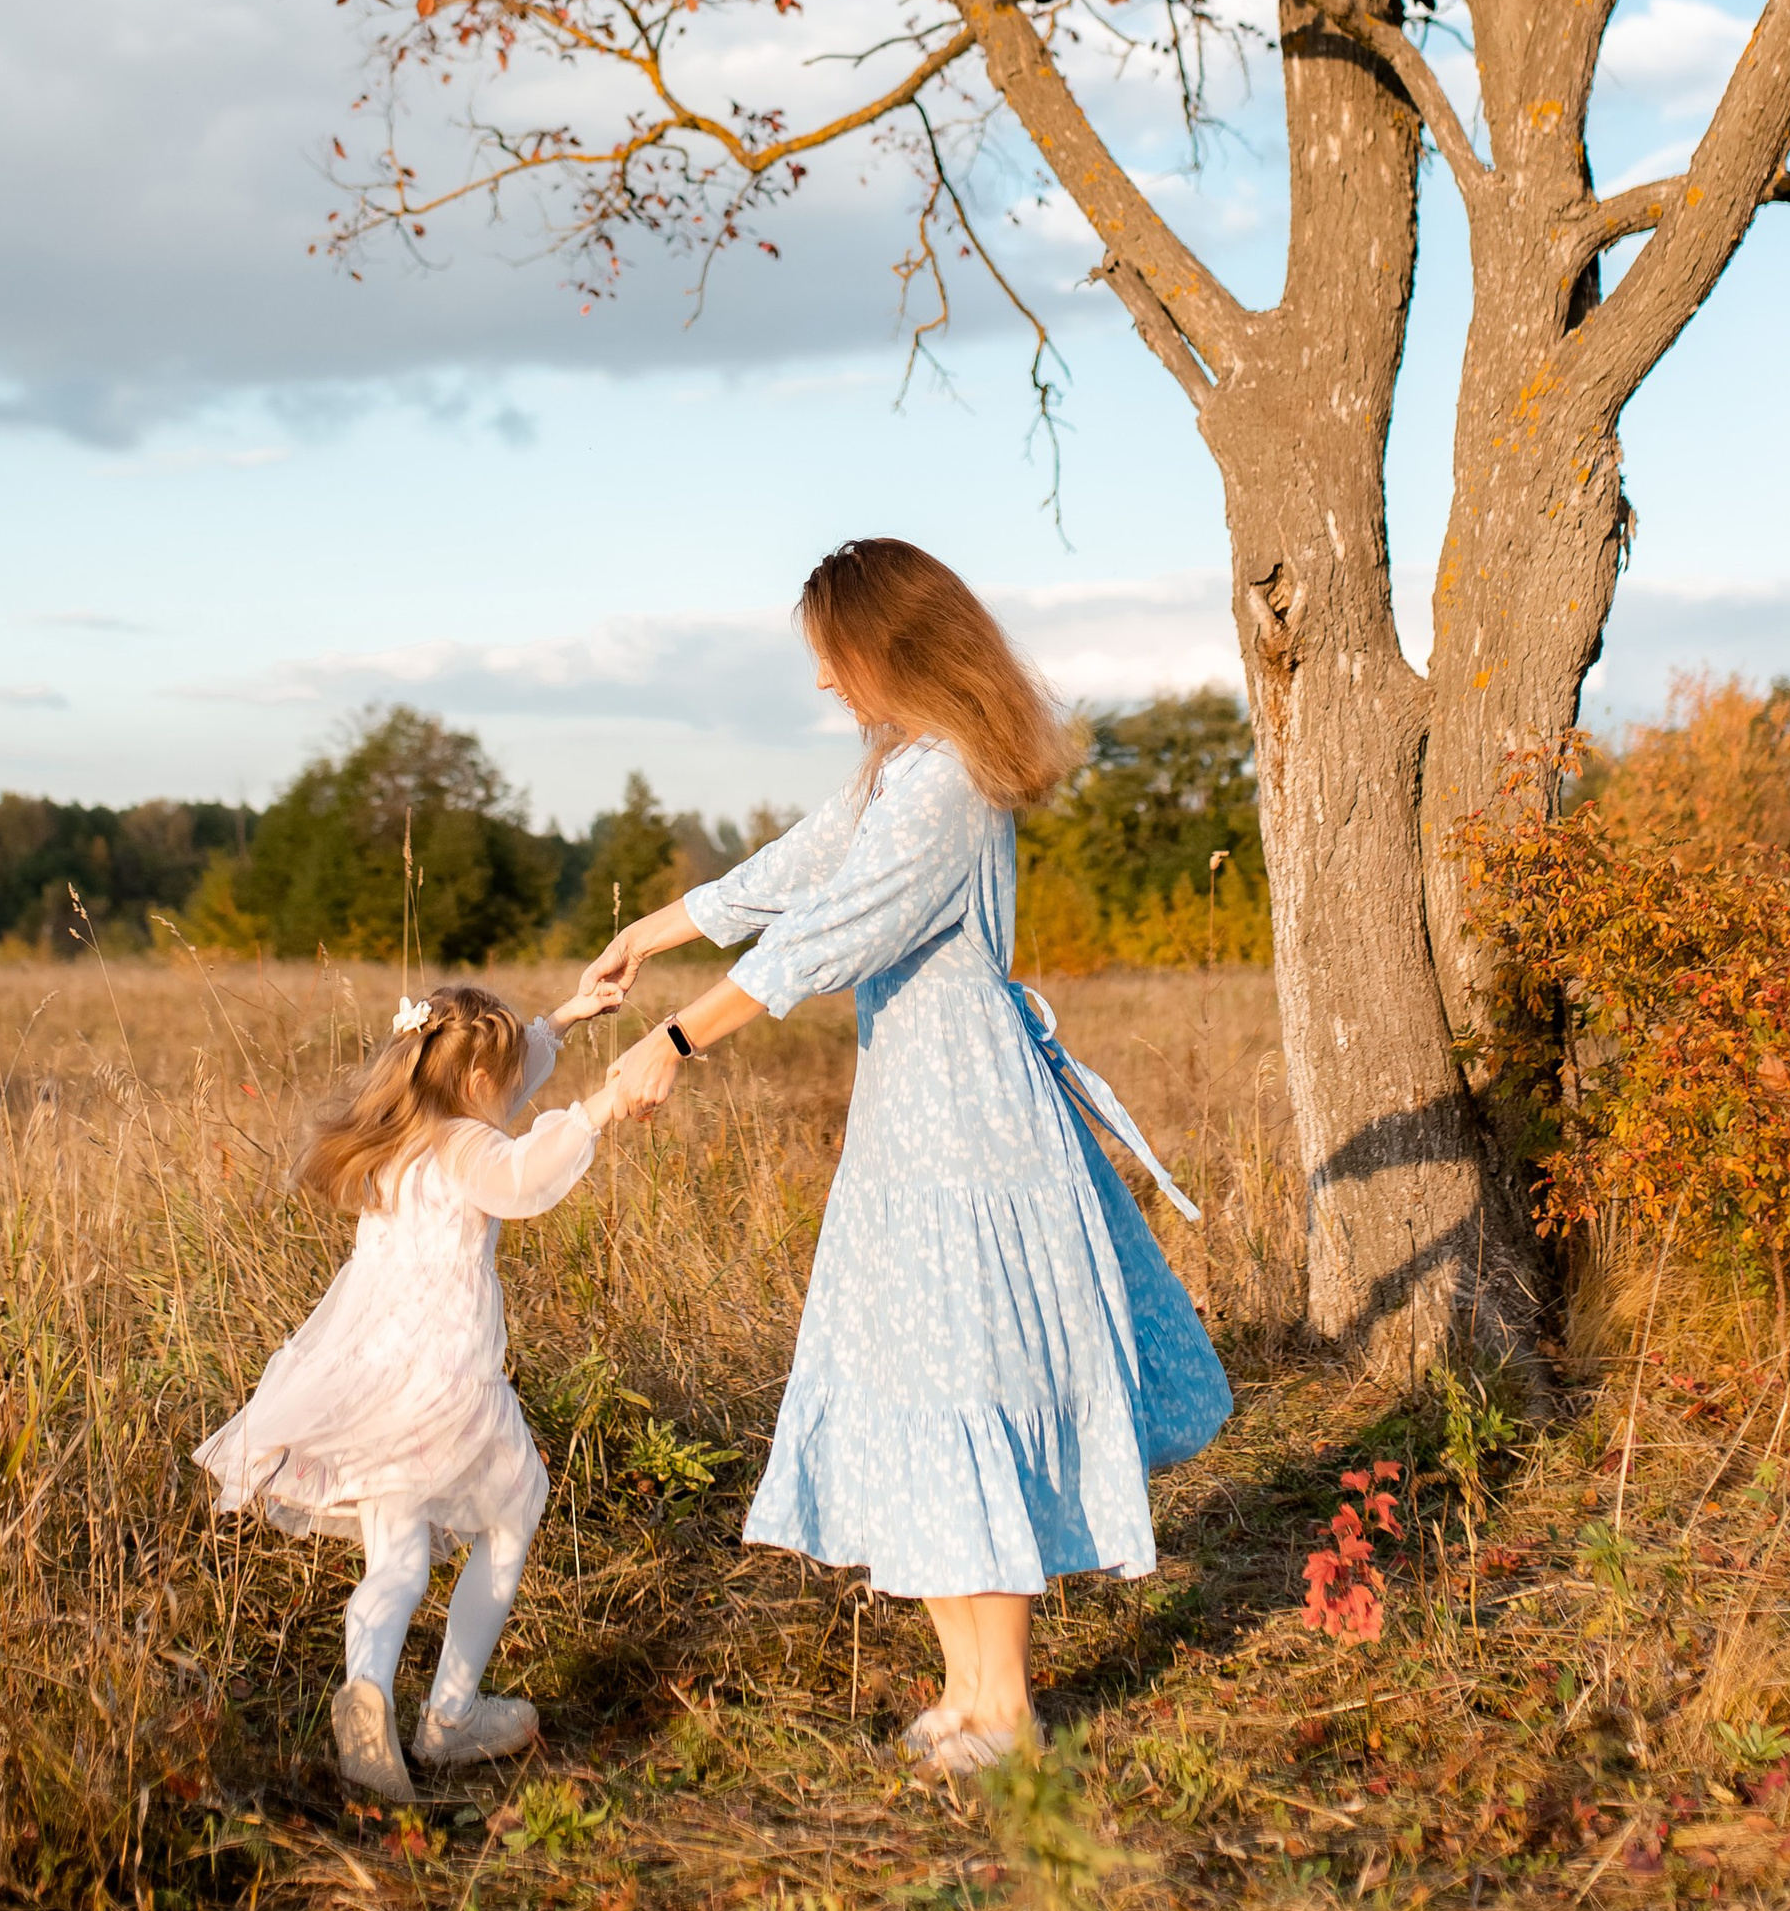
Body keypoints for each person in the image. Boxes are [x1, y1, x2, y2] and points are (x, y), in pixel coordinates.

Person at [580, 536, 1233, 1773]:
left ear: (888, 646)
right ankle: (968, 1691)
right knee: (925, 1385)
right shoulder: (908, 767)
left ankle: (1005, 1709)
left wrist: (678, 1036)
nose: (827, 686)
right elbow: (797, 870)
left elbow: (833, 931)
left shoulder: (947, 783)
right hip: (913, 1121)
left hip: (969, 1126)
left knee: (966, 1382)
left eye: (834, 658)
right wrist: (648, 933)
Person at [195, 977, 639, 1799]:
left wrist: (565, 1019)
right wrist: (599, 1108)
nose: (512, 1091)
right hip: (445, 1382)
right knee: (515, 1511)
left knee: (397, 1560)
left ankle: (366, 1689)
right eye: (504, 1079)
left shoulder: (403, 1136)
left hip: (370, 1379)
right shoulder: (469, 1146)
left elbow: (503, 1082)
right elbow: (521, 1174)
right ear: (476, 1082)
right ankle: (450, 1714)